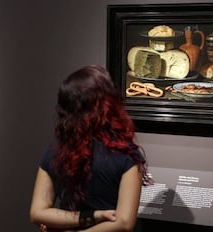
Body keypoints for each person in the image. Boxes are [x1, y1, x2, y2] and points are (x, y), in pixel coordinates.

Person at [29, 65, 151, 232]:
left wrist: (86, 218)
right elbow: (123, 222)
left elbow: (38, 213)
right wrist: (96, 216)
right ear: (108, 105)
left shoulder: (56, 151)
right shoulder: (126, 155)